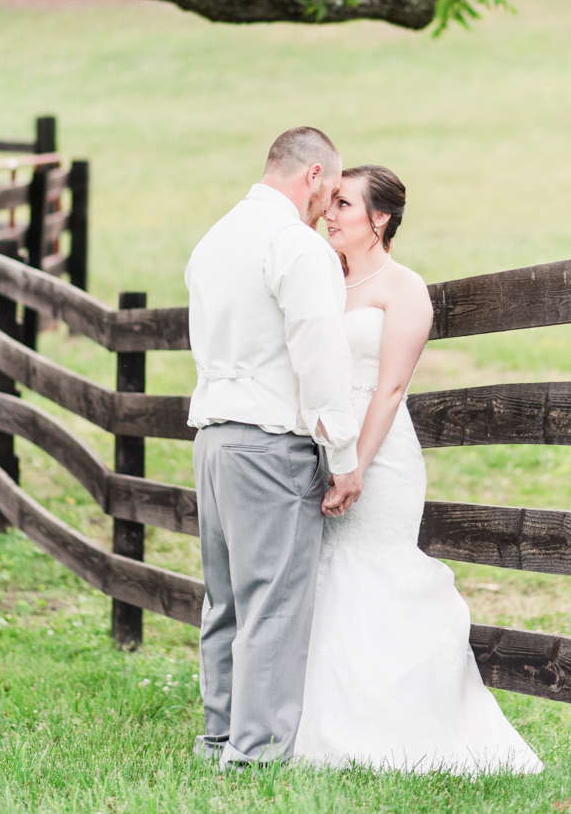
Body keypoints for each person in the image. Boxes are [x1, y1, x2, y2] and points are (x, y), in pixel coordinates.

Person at [294, 165, 543, 775]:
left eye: (343, 204)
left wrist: (355, 467)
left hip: (378, 455)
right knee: (326, 576)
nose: (330, 213)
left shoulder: (403, 288)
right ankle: (319, 723)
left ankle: (399, 728)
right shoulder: (325, 278)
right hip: (318, 442)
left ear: (379, 218)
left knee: (372, 568)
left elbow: (391, 387)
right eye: (330, 202)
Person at [185, 127, 363, 768]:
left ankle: (217, 741)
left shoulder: (213, 240)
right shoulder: (295, 245)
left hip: (211, 441)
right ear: (313, 175)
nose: (329, 207)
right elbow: (319, 356)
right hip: (268, 447)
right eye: (332, 191)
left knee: (224, 600)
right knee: (275, 604)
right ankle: (256, 756)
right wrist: (342, 458)